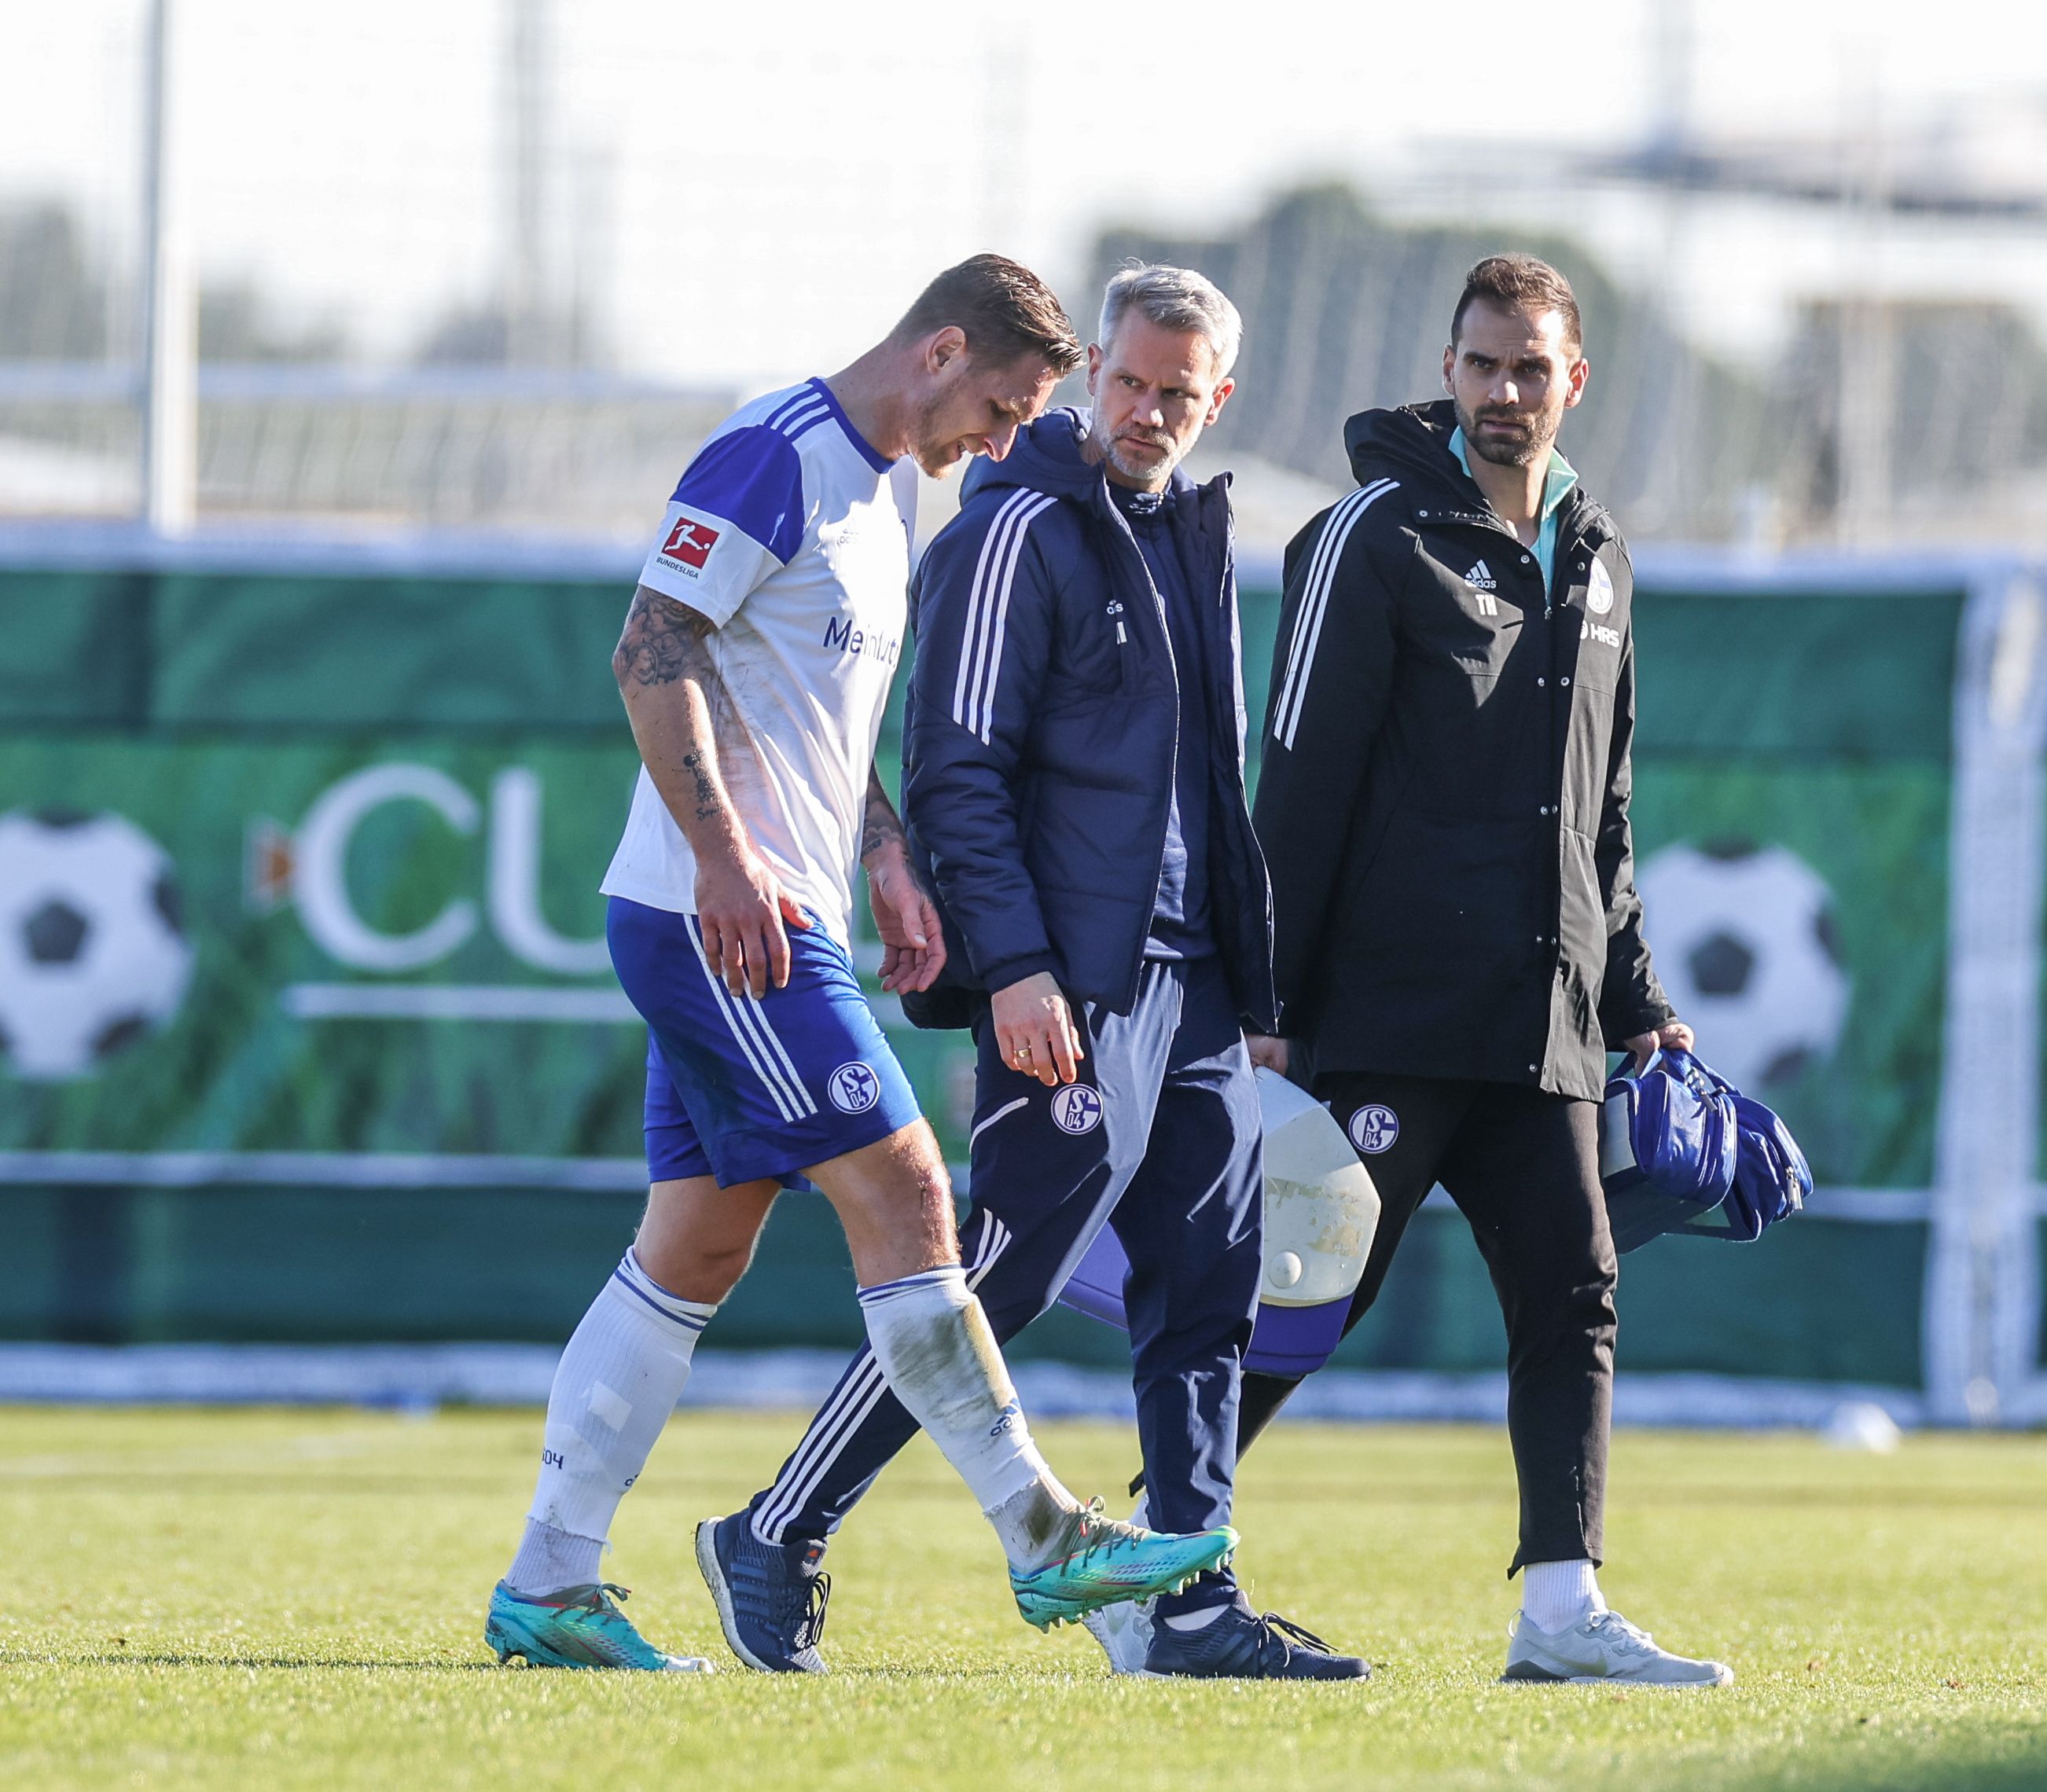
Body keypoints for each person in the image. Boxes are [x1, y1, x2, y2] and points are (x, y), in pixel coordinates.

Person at [483, 255, 1237, 1673]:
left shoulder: (888, 488)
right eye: (1005, 407)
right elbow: (654, 650)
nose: (1008, 443)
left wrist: (882, 851)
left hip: (782, 908)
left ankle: (548, 1580)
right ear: (942, 349)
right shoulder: (774, 453)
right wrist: (720, 861)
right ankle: (1044, 1535)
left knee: (697, 1243)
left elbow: (808, 717)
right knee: (906, 1186)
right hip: (722, 919)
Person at [692, 265, 1368, 1681]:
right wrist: (1015, 968)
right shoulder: (1015, 530)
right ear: (1092, 374)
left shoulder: (1192, 529)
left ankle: (1188, 1605)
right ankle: (780, 1527)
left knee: (1211, 1292)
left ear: (1216, 399)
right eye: (1127, 382)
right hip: (1071, 982)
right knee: (1001, 1271)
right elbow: (957, 773)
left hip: (1194, 991)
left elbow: (1201, 788)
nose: (1148, 411)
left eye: (1179, 393)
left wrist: (1252, 997)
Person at [1243, 255, 1729, 1687]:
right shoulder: (1370, 534)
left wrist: (1634, 998)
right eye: (1481, 365)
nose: (1505, 392)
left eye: (1531, 367)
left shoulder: (1602, 551)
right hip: (1386, 1015)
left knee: (1574, 1292)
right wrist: (1267, 1008)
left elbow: (1606, 807)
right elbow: (1300, 784)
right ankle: (1162, 1566)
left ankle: (1562, 1611)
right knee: (1301, 1301)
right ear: (1447, 372)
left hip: (1547, 1021)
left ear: (1576, 379)